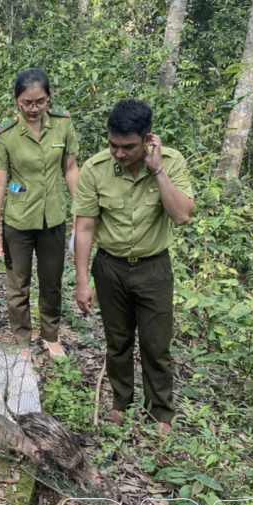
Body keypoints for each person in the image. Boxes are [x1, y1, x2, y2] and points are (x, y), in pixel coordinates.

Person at [72, 100, 195, 435]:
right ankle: (120, 403)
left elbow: (182, 215)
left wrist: (157, 171)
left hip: (153, 268)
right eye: (113, 145)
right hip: (109, 267)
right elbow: (83, 228)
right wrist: (82, 281)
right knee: (118, 341)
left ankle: (161, 413)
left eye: (128, 147)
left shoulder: (171, 163)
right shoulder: (96, 169)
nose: (119, 153)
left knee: (156, 345)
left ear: (147, 140)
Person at [0, 68, 79, 357]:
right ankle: (22, 341)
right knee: (18, 285)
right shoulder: (5, 133)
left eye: (39, 102)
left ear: (48, 98)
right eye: (27, 103)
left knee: (52, 280)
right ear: (17, 101)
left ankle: (51, 336)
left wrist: (80, 209)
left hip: (53, 216)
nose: (33, 109)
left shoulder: (63, 125)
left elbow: (71, 169)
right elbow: (0, 181)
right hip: (18, 219)